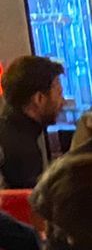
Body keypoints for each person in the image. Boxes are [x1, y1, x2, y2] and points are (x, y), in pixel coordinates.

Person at [0, 55, 69, 190]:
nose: (63, 102)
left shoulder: (10, 134)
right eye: (59, 94)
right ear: (39, 98)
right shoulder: (23, 152)